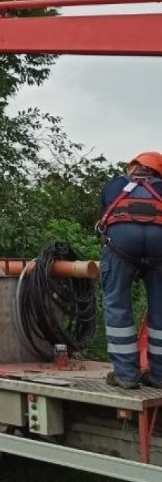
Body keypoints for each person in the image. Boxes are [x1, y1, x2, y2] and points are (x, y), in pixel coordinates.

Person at [97, 152, 162, 389]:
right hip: (160, 245)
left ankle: (126, 375)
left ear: (133, 168)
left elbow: (105, 216)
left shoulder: (116, 184)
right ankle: (159, 375)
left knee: (117, 303)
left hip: (121, 244)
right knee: (161, 307)